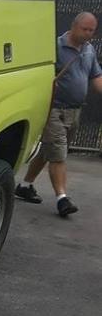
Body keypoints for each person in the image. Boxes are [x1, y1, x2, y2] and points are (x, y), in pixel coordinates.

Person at [15, 12, 102, 217]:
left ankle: (25, 186)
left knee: (49, 151)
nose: (89, 34)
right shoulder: (55, 47)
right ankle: (62, 199)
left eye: (92, 30)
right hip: (54, 109)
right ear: (74, 26)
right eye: (85, 29)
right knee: (58, 154)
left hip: (75, 111)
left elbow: (96, 76)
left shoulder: (89, 50)